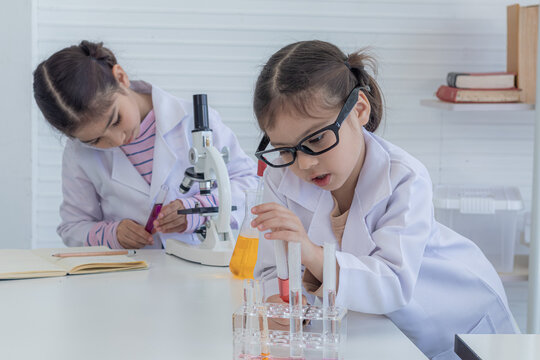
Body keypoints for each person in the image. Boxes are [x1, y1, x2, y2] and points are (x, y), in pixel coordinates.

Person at [251, 40, 518, 359]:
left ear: (359, 110)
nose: (304, 163)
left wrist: (310, 254)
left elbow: (392, 283)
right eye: (285, 150)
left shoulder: (404, 177)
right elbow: (272, 268)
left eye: (317, 138)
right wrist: (281, 303)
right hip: (379, 332)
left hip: (455, 317)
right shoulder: (281, 178)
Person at [33, 40, 257, 249]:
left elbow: (250, 186)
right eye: (95, 140)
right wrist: (113, 234)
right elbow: (72, 228)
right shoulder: (79, 153)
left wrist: (199, 209)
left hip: (202, 265)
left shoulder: (193, 120)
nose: (116, 140)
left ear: (120, 77)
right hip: (131, 277)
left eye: (116, 120)